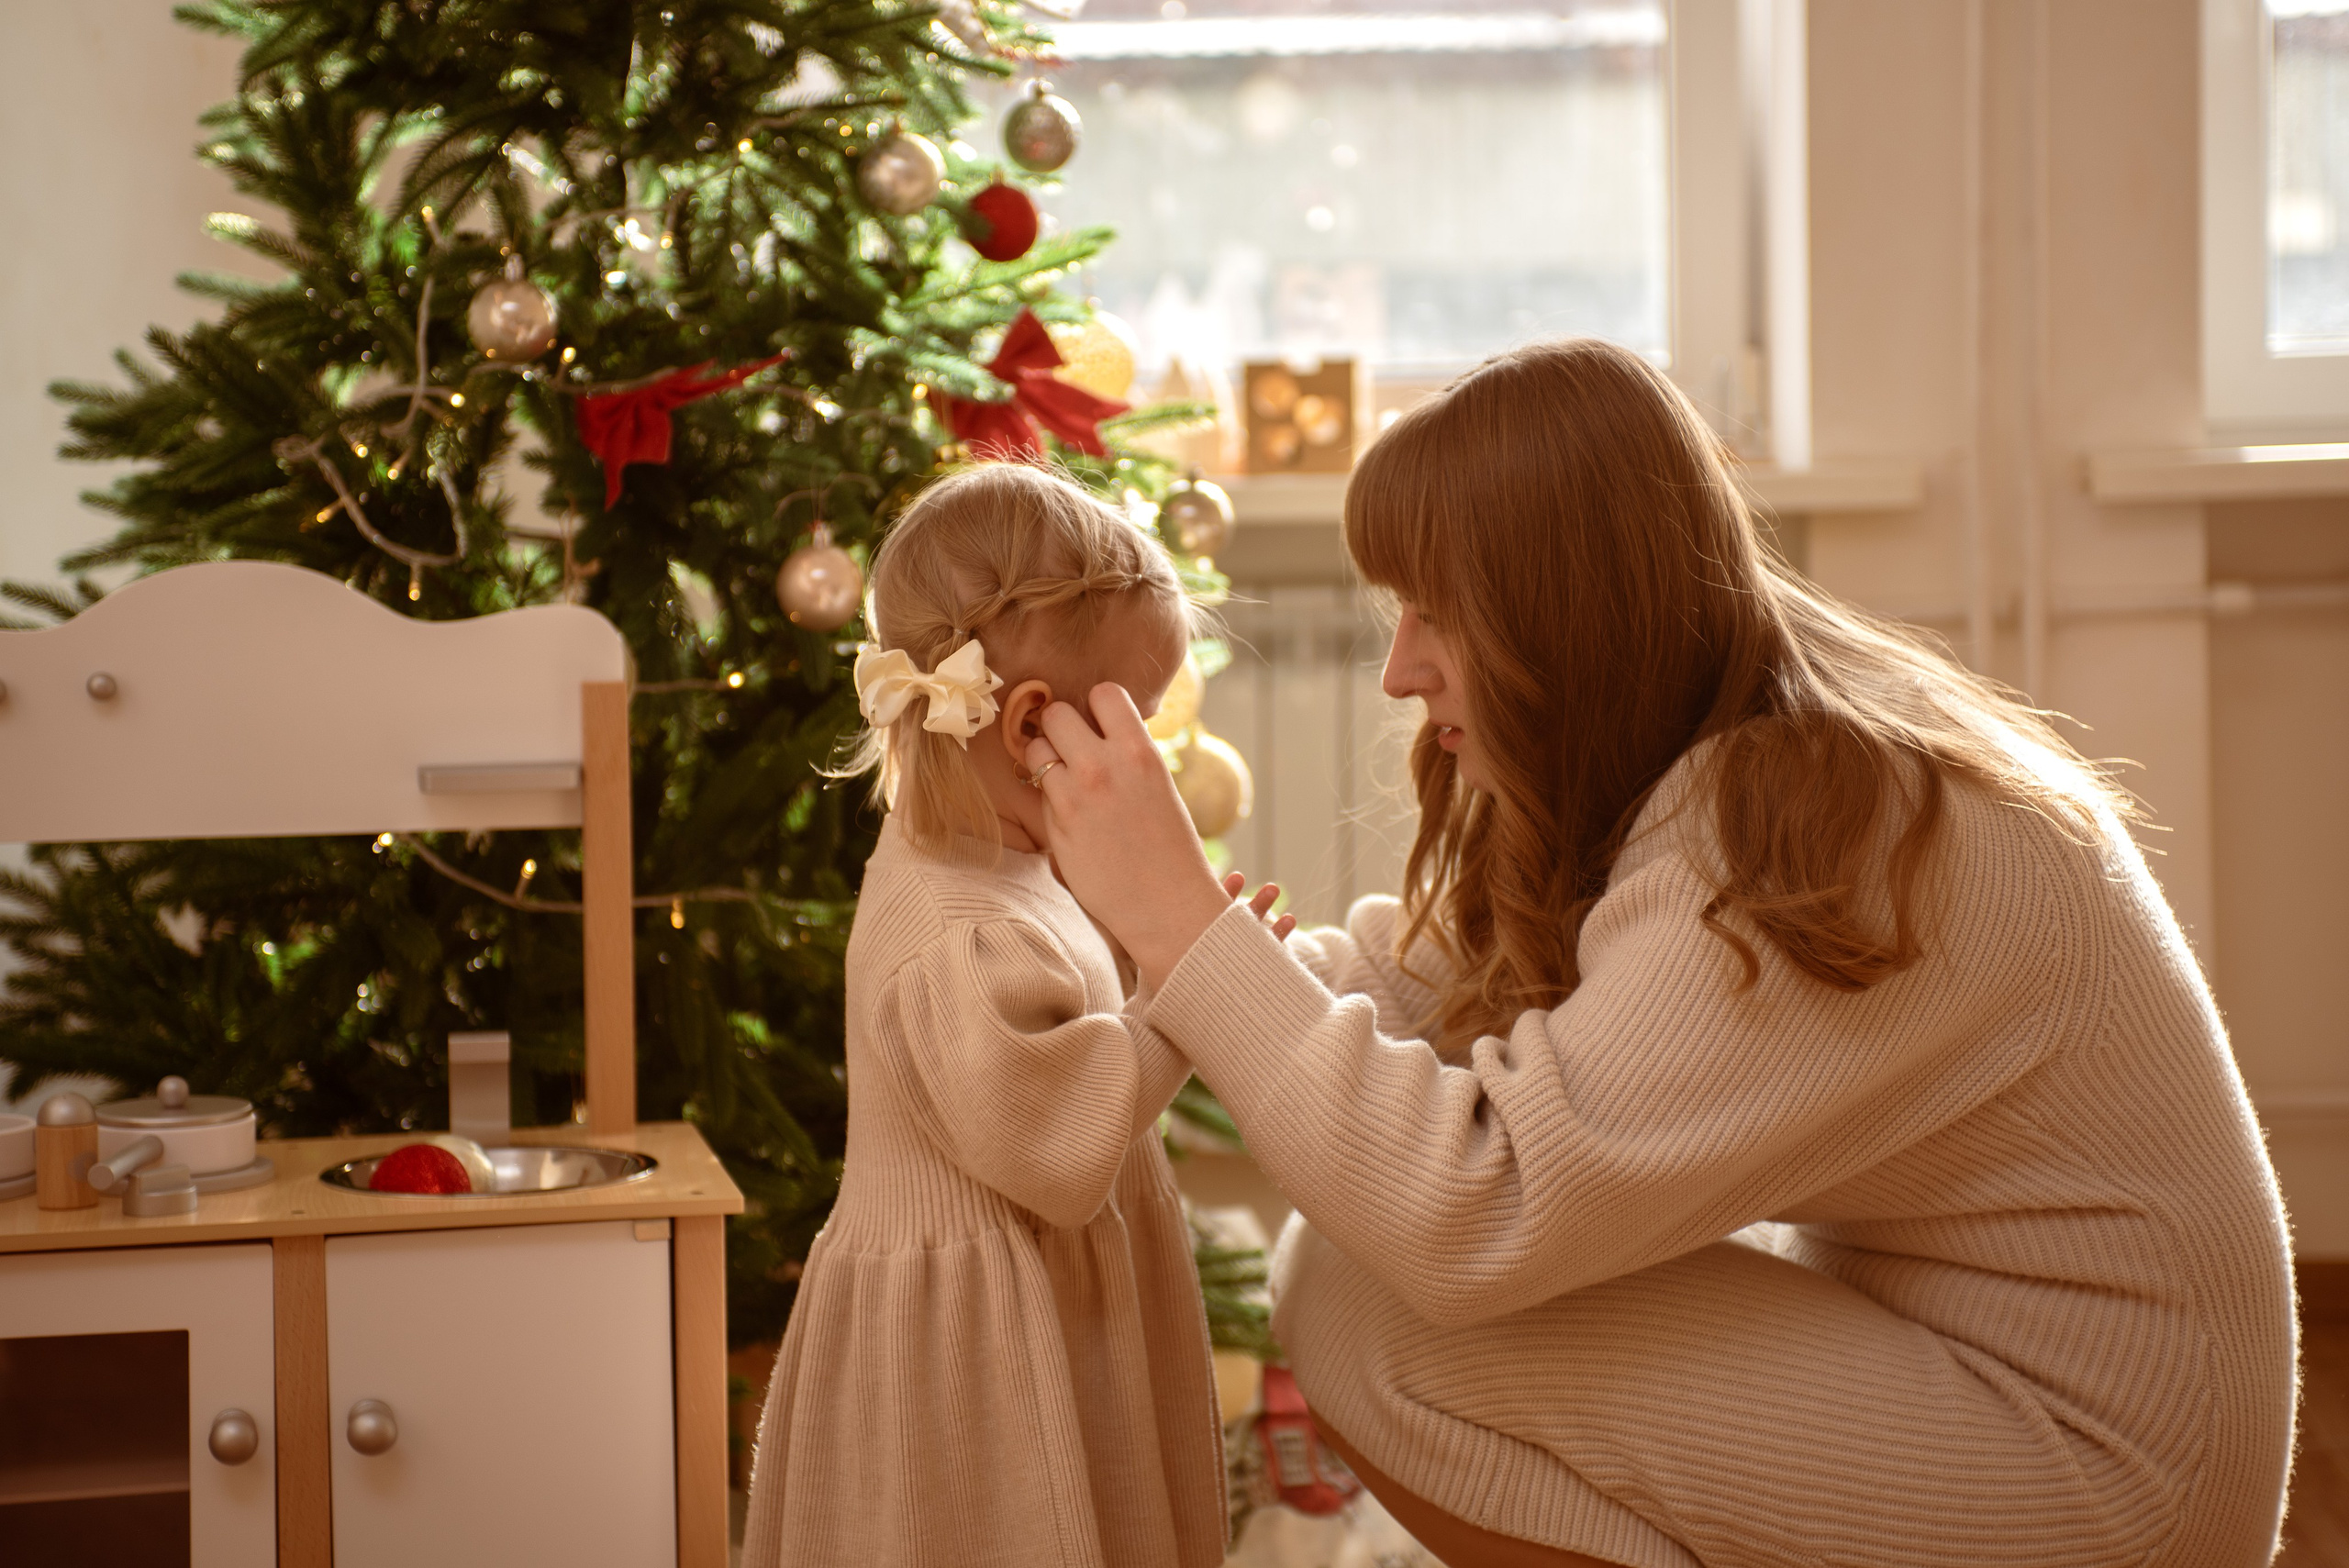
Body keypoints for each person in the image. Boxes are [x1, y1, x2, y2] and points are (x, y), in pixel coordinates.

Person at [1019, 339, 2298, 1567]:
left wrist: (1183, 923)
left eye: (1434, 616)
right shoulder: (1736, 729)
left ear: (1555, 619)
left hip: (2111, 1484)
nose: (1402, 670)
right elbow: (1438, 992)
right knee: (1359, 1278)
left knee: (1378, 1306)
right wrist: (1178, 936)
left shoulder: (1804, 830)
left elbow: (1474, 1216)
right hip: (2010, 1380)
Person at [741, 464, 1275, 1568]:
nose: (1153, 763)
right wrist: (1185, 993)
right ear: (1031, 722)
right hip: (972, 1366)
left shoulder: (1004, 862)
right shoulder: (953, 926)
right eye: (1138, 727)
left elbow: (1072, 1024)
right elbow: (1059, 1141)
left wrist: (1145, 939)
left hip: (1052, 1310)